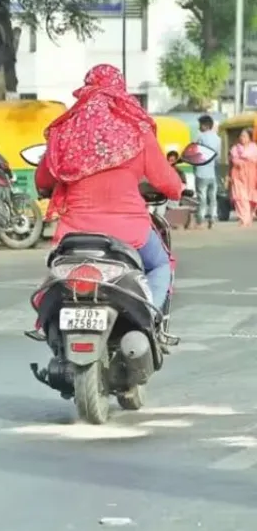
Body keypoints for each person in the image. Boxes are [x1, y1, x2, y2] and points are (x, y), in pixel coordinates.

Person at [26, 64, 183, 341]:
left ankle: (49, 325)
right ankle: (151, 322)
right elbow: (167, 182)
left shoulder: (66, 131)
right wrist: (178, 189)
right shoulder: (136, 129)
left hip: (74, 235)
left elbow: (43, 179)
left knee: (57, 277)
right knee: (160, 266)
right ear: (120, 90)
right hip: (130, 233)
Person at [194, 115, 222, 229]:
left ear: (205, 126)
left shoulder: (200, 137)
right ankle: (212, 217)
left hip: (201, 171)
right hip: (213, 173)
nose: (199, 127)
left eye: (200, 125)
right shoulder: (218, 138)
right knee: (212, 197)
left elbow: (195, 153)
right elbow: (218, 158)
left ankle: (200, 218)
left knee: (202, 196)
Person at [229, 128, 257, 226]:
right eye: (241, 136)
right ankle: (244, 219)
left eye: (244, 136)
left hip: (252, 176)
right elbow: (234, 160)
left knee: (251, 198)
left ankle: (248, 217)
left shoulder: (254, 148)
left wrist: (247, 159)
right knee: (240, 198)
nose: (242, 138)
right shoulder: (235, 148)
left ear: (249, 138)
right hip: (238, 175)